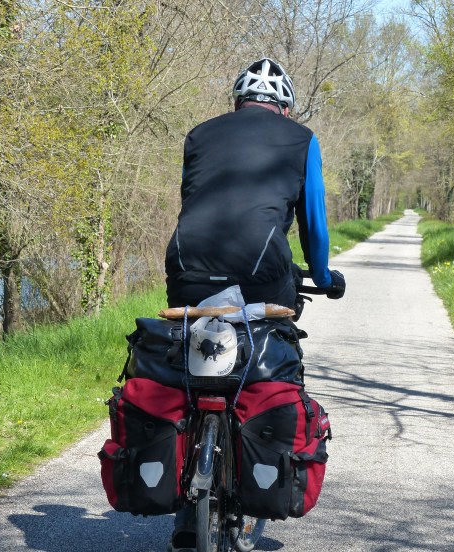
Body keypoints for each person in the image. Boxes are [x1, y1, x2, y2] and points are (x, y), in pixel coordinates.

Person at [164, 58, 345, 552]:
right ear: (285, 106)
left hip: (186, 262)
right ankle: (262, 463)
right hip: (262, 270)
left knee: (186, 358)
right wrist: (324, 277)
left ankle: (184, 492)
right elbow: (313, 223)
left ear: (236, 102)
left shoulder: (199, 134)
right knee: (273, 354)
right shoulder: (301, 139)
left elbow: (193, 200)